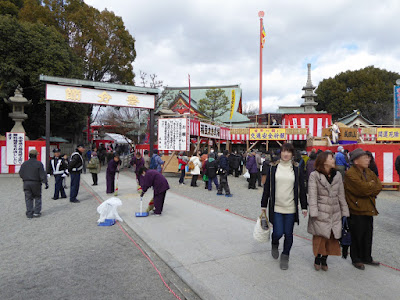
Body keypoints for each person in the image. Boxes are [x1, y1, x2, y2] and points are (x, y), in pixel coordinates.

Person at [261, 143, 308, 270]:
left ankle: (285, 255)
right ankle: (274, 242)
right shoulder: (273, 168)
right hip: (276, 206)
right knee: (278, 232)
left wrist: (304, 206)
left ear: (292, 154)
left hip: (291, 207)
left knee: (289, 233)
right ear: (280, 153)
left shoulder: (297, 169)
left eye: (289, 151)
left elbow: (302, 189)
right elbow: (267, 187)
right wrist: (263, 204)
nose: (286, 154)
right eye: (283, 151)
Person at [307, 151, 350, 271]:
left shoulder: (337, 175)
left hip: (334, 211)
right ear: (324, 160)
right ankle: (317, 258)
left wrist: (345, 212)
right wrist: (314, 212)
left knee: (331, 237)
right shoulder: (314, 176)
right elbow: (312, 195)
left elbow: (341, 195)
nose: (333, 160)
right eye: (331, 158)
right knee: (320, 237)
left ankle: (324, 259)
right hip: (321, 211)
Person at [344, 148, 382, 270]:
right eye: (365, 157)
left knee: (368, 234)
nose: (368, 159)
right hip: (356, 209)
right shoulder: (350, 174)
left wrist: (369, 187)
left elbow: (378, 186)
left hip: (369, 208)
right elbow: (362, 189)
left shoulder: (369, 171)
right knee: (357, 235)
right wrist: (370, 187)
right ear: (356, 161)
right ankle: (356, 258)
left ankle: (367, 257)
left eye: (368, 157)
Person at [19, 149, 48, 218]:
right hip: (36, 183)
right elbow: (42, 174)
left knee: (28, 198)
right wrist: (45, 182)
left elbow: (21, 173)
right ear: (36, 156)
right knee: (37, 197)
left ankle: (29, 213)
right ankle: (36, 212)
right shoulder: (39, 164)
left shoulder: (24, 163)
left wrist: (25, 179)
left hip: (26, 183)